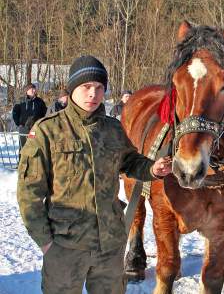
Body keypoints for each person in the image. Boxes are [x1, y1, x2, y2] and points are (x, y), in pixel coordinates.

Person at [17, 55, 172, 294]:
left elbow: (129, 161)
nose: (93, 94)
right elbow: (29, 194)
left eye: (99, 88)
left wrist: (152, 168)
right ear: (72, 89)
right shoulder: (47, 131)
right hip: (65, 247)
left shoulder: (112, 128)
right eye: (86, 87)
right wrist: (46, 243)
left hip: (109, 247)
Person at [12, 83, 47, 150]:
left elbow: (44, 114)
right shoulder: (21, 101)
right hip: (23, 128)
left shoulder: (39, 101)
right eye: (32, 89)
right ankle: (21, 160)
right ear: (27, 91)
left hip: (34, 129)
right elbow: (15, 112)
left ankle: (31, 161)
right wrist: (18, 123)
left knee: (32, 147)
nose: (34, 90)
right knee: (23, 147)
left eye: (34, 89)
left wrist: (40, 124)